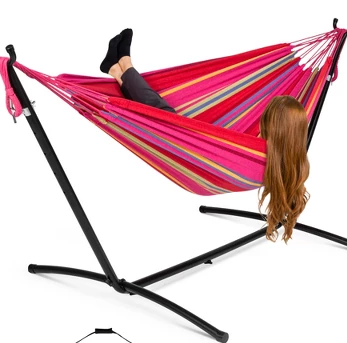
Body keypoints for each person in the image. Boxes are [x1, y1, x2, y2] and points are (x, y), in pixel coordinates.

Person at [100, 29, 310, 243]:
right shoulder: (298, 164)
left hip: (197, 159)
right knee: (162, 113)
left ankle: (125, 65)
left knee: (163, 115)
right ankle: (118, 69)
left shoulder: (257, 155)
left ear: (268, 123)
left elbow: (224, 155)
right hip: (209, 158)